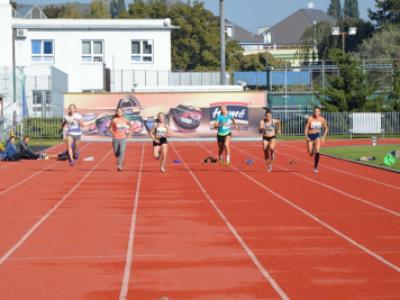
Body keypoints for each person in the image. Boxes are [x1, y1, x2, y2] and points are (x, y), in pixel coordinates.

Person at [305, 107, 329, 173]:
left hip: (317, 136)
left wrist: (324, 137)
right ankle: (313, 149)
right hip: (310, 136)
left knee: (318, 152)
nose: (316, 113)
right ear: (313, 112)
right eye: (315, 111)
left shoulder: (322, 120)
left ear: (319, 113)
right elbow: (306, 128)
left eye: (317, 111)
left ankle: (315, 167)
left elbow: (326, 128)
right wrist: (306, 136)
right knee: (310, 154)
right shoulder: (310, 119)